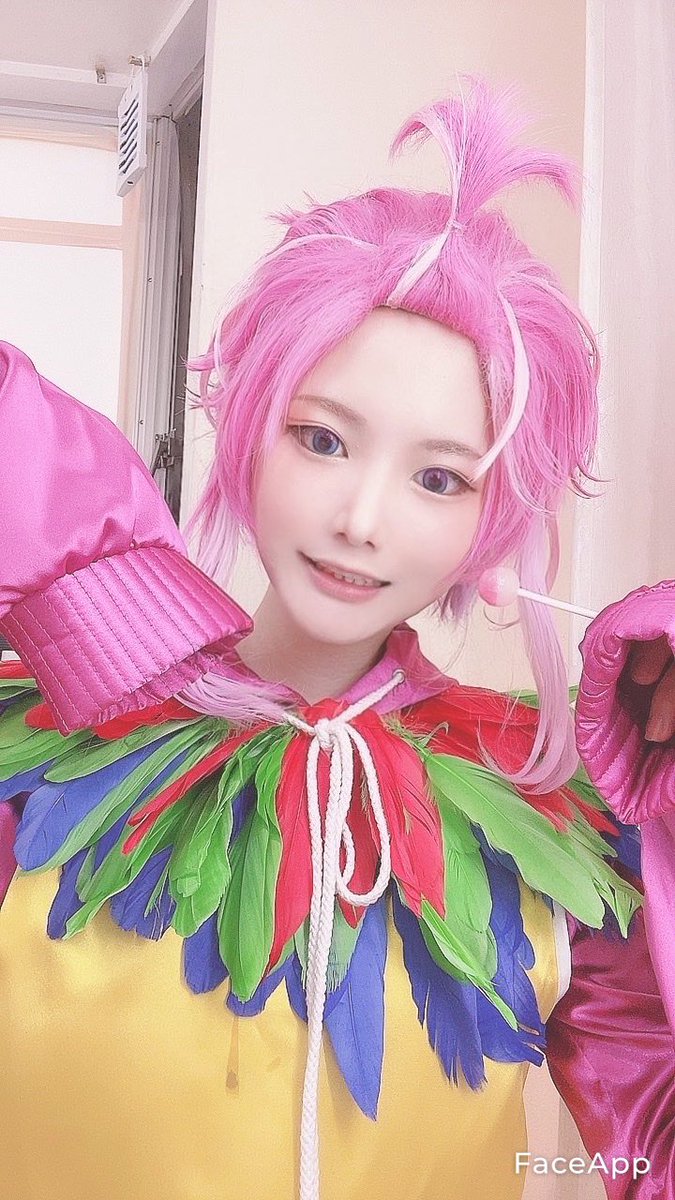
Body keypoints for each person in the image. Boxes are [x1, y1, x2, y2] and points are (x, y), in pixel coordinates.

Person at [0, 77, 673, 1200]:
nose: (362, 519)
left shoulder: (557, 816)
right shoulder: (44, 748)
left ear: (493, 521)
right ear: (247, 425)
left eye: (439, 477)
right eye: (321, 439)